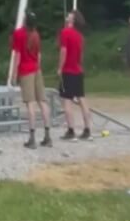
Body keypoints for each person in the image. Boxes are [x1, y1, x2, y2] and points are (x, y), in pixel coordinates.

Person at [8, 11, 52, 149]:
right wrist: (37, 68)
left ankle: (32, 138)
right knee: (42, 102)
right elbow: (38, 55)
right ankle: (47, 136)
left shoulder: (19, 34)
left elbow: (17, 55)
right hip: (36, 69)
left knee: (30, 104)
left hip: (25, 71)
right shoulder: (36, 34)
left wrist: (13, 74)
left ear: (25, 20)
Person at [58, 10, 92, 141]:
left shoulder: (65, 32)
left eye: (69, 16)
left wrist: (60, 68)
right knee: (82, 98)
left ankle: (71, 130)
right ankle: (87, 129)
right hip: (78, 70)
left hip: (68, 70)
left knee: (66, 100)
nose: (67, 17)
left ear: (72, 19)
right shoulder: (80, 36)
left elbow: (63, 50)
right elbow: (81, 54)